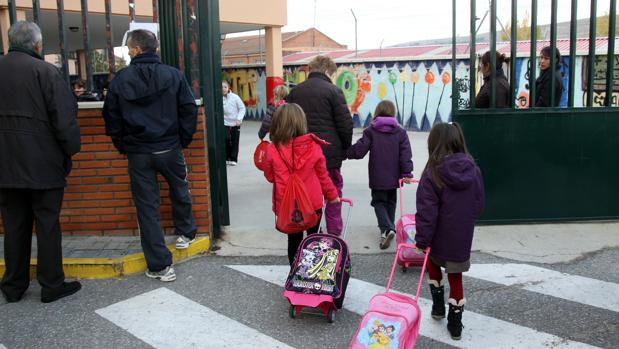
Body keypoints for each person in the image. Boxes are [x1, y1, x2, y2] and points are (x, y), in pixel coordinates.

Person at [103, 29, 198, 282]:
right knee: (179, 187)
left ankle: (160, 266)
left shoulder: (121, 80)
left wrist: (123, 145)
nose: (128, 52)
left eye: (128, 48)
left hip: (138, 152)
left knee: (147, 207)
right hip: (169, 147)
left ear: (136, 50)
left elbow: (111, 117)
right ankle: (186, 232)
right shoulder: (174, 75)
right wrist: (182, 140)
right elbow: (188, 109)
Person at [0, 21, 82, 303]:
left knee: (14, 226)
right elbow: (64, 120)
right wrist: (70, 151)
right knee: (47, 225)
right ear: (37, 44)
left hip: (5, 167)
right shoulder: (46, 72)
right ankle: (51, 285)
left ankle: (13, 285)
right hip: (43, 165)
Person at [414, 122, 485, 340]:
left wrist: (422, 241)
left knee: (434, 266)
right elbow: (479, 203)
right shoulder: (473, 170)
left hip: (437, 236)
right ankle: (455, 325)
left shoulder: (432, 173)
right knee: (456, 277)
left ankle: (437, 308)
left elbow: (427, 212)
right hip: (461, 235)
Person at [262, 103, 339, 266]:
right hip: (313, 204)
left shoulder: (272, 149)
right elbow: (323, 177)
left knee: (294, 241)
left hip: (288, 205)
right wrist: (332, 196)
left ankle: (295, 274)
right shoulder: (314, 146)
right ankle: (314, 273)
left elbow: (269, 177)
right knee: (314, 237)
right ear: (301, 122)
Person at [286, 55, 353, 235]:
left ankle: (311, 232)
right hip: (329, 155)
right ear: (326, 70)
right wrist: (345, 148)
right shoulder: (334, 91)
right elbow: (345, 124)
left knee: (307, 195)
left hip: (301, 154)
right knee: (333, 194)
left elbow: (287, 122)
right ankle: (334, 234)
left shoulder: (295, 92)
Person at [346, 100, 414, 249]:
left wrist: (346, 152)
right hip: (395, 177)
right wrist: (407, 173)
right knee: (390, 202)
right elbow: (405, 154)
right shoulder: (400, 133)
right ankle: (387, 229)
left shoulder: (371, 131)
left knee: (378, 202)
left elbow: (360, 150)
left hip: (378, 177)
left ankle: (387, 229)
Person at [222, 80, 246, 166]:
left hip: (236, 122)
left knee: (235, 140)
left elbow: (242, 108)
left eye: (225, 87)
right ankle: (226, 157)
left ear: (228, 88)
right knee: (226, 139)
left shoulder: (235, 97)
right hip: (224, 122)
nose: (223, 89)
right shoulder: (219, 98)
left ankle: (233, 158)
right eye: (222, 87)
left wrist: (239, 119)